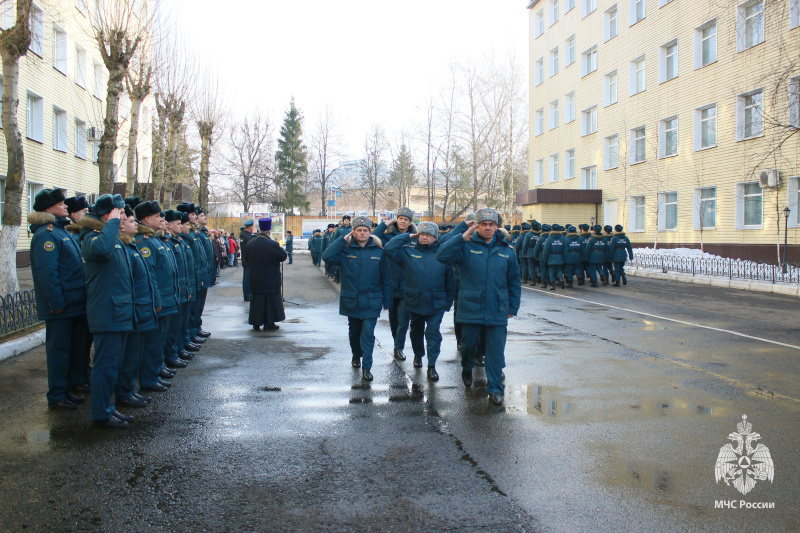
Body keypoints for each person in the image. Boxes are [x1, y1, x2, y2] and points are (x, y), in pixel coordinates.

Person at [436, 208, 521, 406]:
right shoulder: (464, 247)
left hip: (498, 308)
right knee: (467, 347)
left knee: (495, 350)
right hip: (471, 307)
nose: (488, 228)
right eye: (484, 224)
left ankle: (494, 388)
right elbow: (441, 256)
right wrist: (462, 236)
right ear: (477, 226)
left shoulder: (507, 251)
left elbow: (514, 281)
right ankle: (467, 367)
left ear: (497, 226)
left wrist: (512, 307)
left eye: (491, 224)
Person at [28, 189, 92, 410]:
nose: (65, 207)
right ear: (48, 209)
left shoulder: (60, 231)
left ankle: (67, 389)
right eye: (61, 204)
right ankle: (56, 394)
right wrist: (56, 304)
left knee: (71, 350)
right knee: (59, 352)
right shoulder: (46, 234)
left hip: (72, 303)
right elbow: (48, 274)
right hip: (60, 306)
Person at [77, 194, 132, 428]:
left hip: (117, 311)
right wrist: (111, 223)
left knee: (113, 365)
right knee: (105, 365)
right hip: (106, 312)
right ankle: (101, 413)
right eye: (119, 213)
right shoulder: (92, 238)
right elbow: (101, 251)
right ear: (107, 215)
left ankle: (108, 408)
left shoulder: (112, 238)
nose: (124, 218)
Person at [322, 216, 392, 381]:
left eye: (365, 230)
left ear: (370, 233)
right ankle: (356, 354)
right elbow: (327, 256)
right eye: (358, 230)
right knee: (354, 333)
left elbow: (386, 278)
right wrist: (342, 239)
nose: (362, 233)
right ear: (353, 232)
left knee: (368, 334)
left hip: (372, 300)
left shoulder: (379, 252)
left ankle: (367, 367)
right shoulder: (345, 251)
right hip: (351, 299)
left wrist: (387, 301)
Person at [384, 222, 454, 381]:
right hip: (414, 301)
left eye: (429, 235)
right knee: (416, 331)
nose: (424, 237)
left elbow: (450, 282)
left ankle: (432, 365)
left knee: (433, 333)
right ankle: (418, 354)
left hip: (436, 303)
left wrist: (447, 304)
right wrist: (409, 235)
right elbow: (389, 248)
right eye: (422, 234)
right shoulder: (408, 253)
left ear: (435, 237)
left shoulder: (443, 255)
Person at [115, 203, 160, 411]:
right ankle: (124, 391)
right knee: (129, 354)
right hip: (133, 307)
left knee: (137, 351)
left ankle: (129, 390)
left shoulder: (133, 244)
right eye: (131, 221)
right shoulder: (135, 244)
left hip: (141, 305)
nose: (135, 224)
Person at [134, 201, 180, 393]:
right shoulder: (145, 241)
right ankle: (149, 377)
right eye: (159, 216)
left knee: (159, 340)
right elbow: (150, 275)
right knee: (153, 342)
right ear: (147, 219)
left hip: (167, 297)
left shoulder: (156, 239)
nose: (163, 219)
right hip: (158, 300)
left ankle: (156, 370)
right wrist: (158, 300)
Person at [372, 207, 416, 361]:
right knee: (393, 318)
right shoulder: (386, 236)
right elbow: (372, 238)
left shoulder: (413, 237)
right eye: (400, 218)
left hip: (407, 283)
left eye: (406, 219)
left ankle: (399, 347)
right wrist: (384, 224)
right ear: (396, 219)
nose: (403, 221)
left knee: (404, 319)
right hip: (390, 282)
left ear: (410, 222)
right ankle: (396, 341)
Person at [245, 217, 288, 331]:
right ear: (269, 231)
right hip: (270, 278)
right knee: (269, 302)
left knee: (257, 301)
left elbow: (246, 259)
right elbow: (283, 256)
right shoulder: (273, 244)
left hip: (255, 278)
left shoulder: (250, 243)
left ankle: (256, 322)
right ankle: (269, 323)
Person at [540, 224, 568, 290]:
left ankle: (552, 285)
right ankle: (561, 278)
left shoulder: (549, 239)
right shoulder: (563, 239)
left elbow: (546, 250)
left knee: (552, 272)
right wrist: (565, 259)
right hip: (560, 257)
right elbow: (565, 249)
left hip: (551, 257)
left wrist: (545, 259)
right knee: (559, 270)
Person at [240, 220, 256, 301]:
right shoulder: (246, 236)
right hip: (248, 259)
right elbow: (253, 243)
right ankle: (247, 295)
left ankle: (248, 294)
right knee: (247, 278)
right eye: (253, 226)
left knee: (247, 277)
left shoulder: (244, 235)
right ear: (251, 227)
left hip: (246, 259)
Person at [533, 224, 551, 289]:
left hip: (541, 256)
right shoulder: (550, 238)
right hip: (550, 255)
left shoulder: (540, 239)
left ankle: (544, 283)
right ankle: (550, 280)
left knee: (543, 269)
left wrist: (536, 256)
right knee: (549, 268)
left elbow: (536, 248)